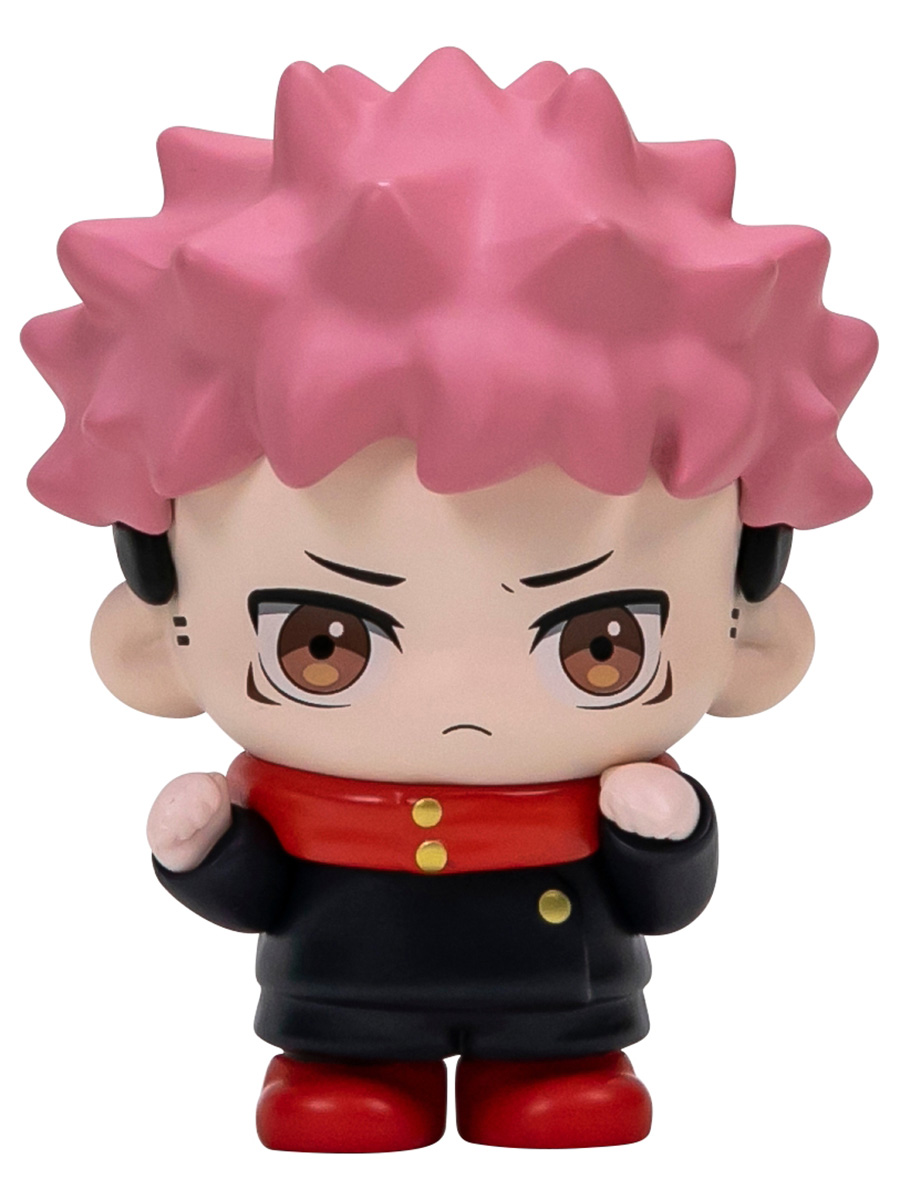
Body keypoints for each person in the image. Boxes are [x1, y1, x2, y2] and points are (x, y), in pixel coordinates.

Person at [23, 49, 876, 1152]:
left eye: (600, 643)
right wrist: (203, 849)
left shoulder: (609, 792)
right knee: (343, 1080)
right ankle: (348, 1074)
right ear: (155, 629)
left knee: (563, 1077)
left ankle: (552, 1072)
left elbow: (668, 899)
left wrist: (666, 837)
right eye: (322, 642)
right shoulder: (297, 800)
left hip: (568, 1000)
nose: (460, 697)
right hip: (338, 1002)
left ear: (750, 630)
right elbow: (254, 894)